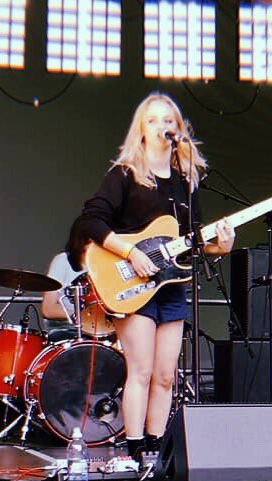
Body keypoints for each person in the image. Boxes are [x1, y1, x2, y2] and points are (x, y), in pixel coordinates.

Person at [72, 92, 235, 460]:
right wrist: (131, 252)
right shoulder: (125, 174)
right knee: (141, 371)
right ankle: (133, 450)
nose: (162, 126)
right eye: (154, 120)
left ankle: (156, 451)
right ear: (141, 129)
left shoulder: (185, 181)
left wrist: (220, 246)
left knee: (165, 375)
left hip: (171, 286)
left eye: (168, 120)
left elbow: (191, 241)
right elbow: (90, 220)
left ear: (179, 128)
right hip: (133, 283)